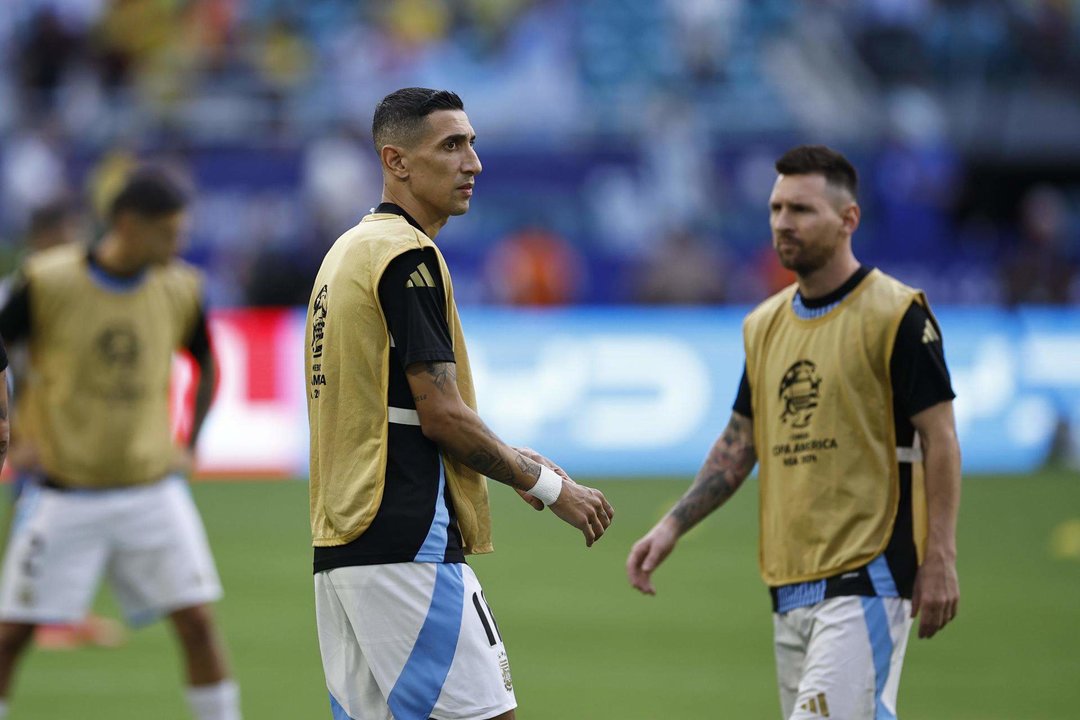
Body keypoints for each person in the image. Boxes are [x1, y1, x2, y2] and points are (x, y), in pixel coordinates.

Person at [306, 87, 614, 720]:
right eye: (451, 145)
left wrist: (503, 454)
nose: (473, 162)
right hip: (404, 539)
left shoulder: (347, 252)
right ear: (396, 161)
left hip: (344, 542)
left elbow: (394, 405)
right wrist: (550, 489)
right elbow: (439, 414)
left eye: (472, 143)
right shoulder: (407, 256)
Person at [627, 145, 961, 720]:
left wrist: (941, 555)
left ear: (848, 219)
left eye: (801, 209)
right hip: (789, 580)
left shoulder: (896, 314)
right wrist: (673, 524)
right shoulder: (764, 325)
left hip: (869, 571)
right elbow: (739, 442)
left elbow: (942, 437)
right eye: (776, 208)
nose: (783, 222)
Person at [0, 169, 241, 720]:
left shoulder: (180, 286)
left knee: (199, 625)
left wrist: (193, 439)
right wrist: (11, 428)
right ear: (128, 225)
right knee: (11, 636)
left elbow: (205, 361)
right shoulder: (48, 279)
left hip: (150, 490)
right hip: (64, 491)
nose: (179, 245)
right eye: (169, 232)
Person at [0, 200, 128, 652]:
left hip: (64, 422)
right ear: (45, 235)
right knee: (37, 514)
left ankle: (64, 611)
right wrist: (16, 429)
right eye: (67, 232)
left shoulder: (67, 284)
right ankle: (39, 614)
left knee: (69, 511)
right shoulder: (30, 287)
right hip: (34, 423)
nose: (76, 243)